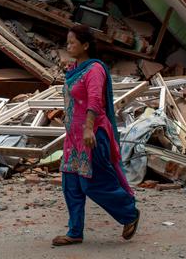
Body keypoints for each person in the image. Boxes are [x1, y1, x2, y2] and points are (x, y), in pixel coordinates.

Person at [52, 25, 140, 246]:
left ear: (85, 45)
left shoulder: (94, 70)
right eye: (67, 42)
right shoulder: (74, 68)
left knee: (94, 183)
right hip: (73, 140)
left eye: (72, 42)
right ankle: (75, 232)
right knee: (71, 186)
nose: (68, 46)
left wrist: (89, 128)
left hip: (91, 136)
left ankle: (129, 213)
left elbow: (94, 101)